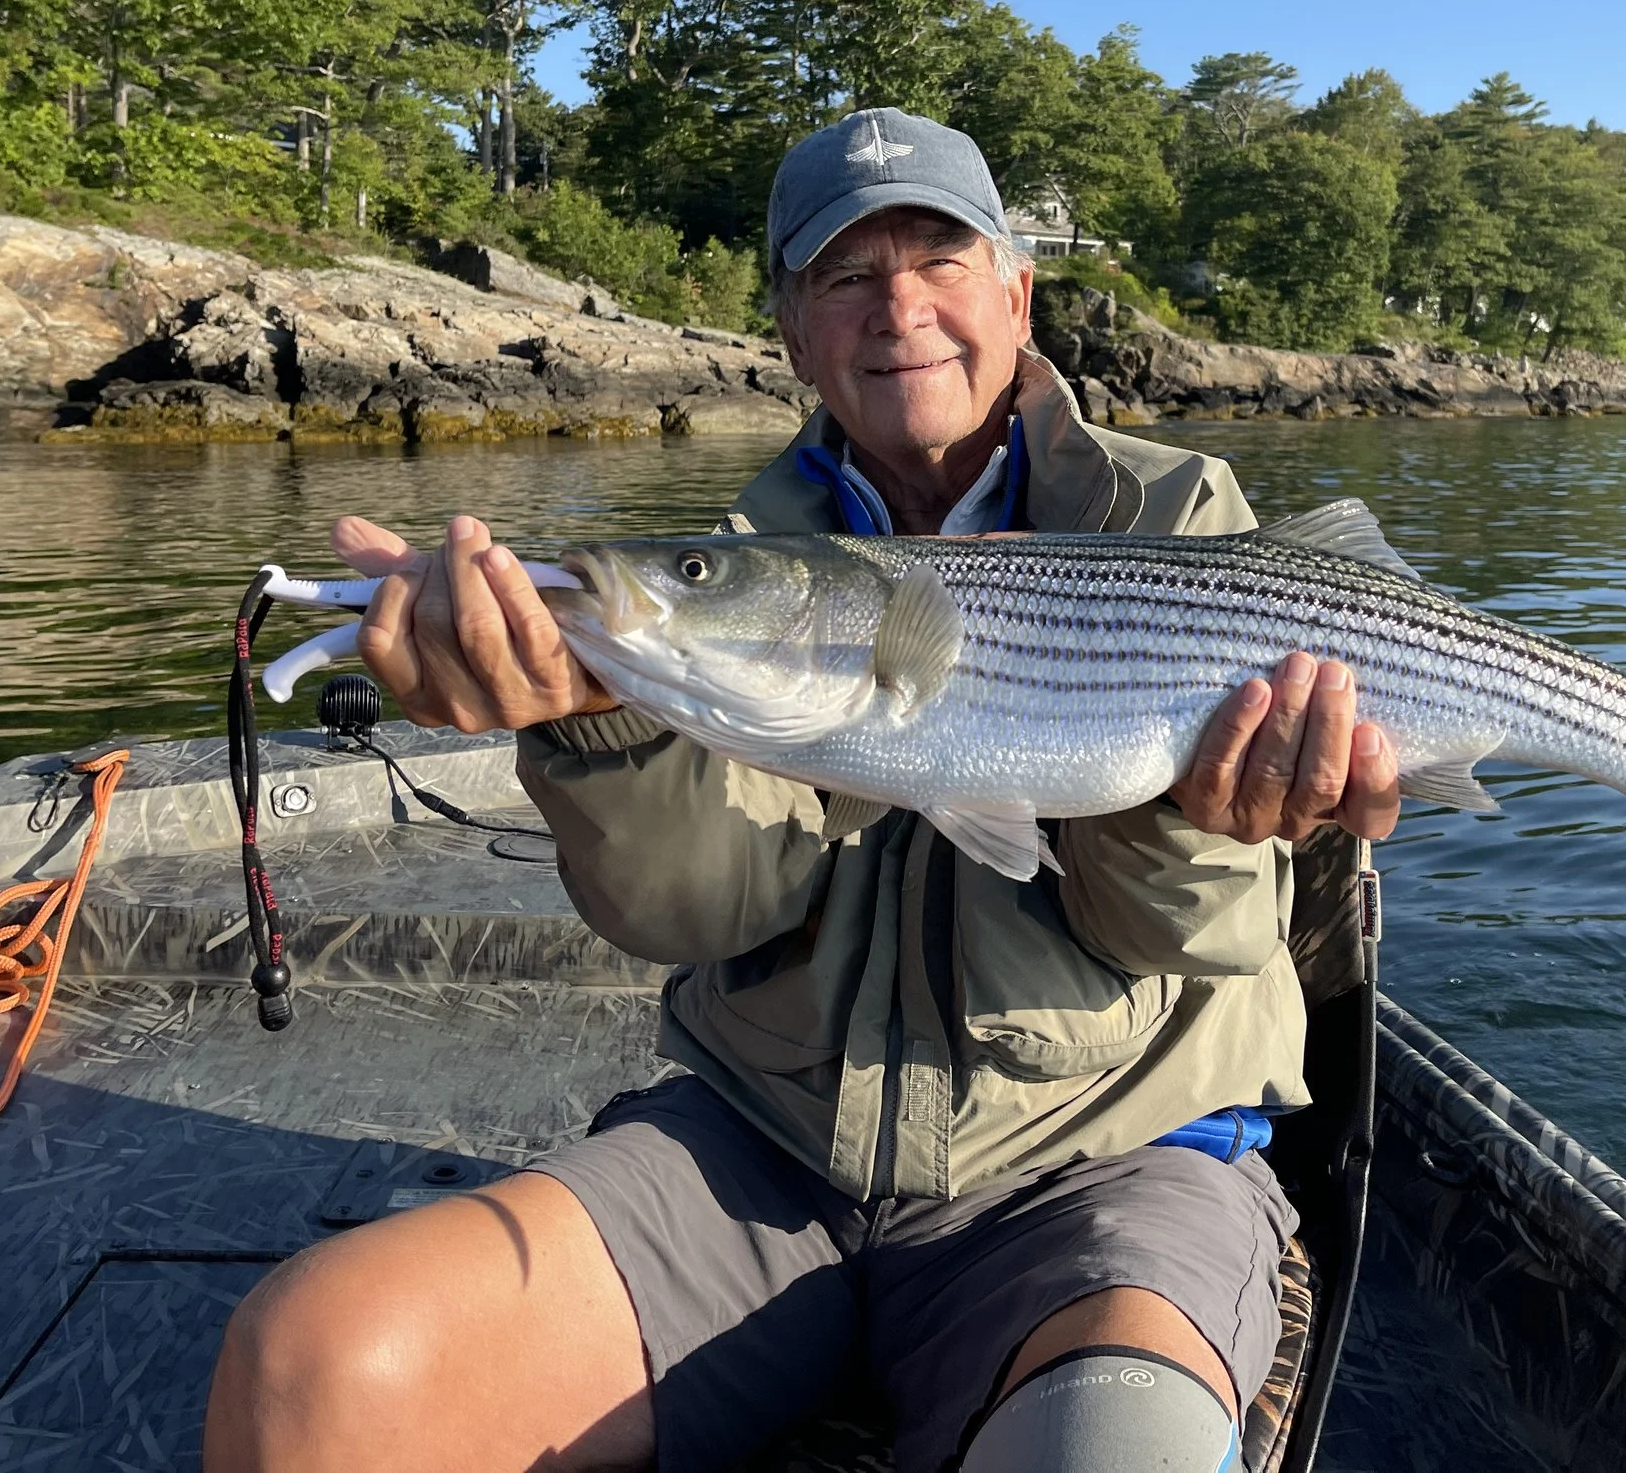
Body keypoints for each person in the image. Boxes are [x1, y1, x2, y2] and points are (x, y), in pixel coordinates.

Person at [205, 109, 1400, 1473]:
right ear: (789, 327)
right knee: (313, 1374)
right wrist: (602, 715)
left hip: (1103, 1165)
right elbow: (701, 911)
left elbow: (1191, 937)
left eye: (941, 258)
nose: (900, 308)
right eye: (846, 274)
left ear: (1017, 293)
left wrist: (1188, 815)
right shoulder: (745, 560)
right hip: (761, 1152)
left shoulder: (1177, 518)